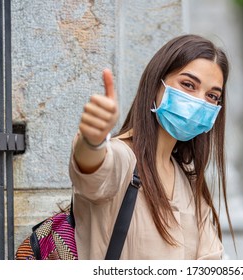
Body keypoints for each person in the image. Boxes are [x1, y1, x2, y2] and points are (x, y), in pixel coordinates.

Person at [69, 34, 233, 259]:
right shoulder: (124, 159)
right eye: (188, 85)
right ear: (157, 83)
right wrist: (92, 140)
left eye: (212, 95)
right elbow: (93, 172)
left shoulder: (190, 183)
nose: (199, 102)